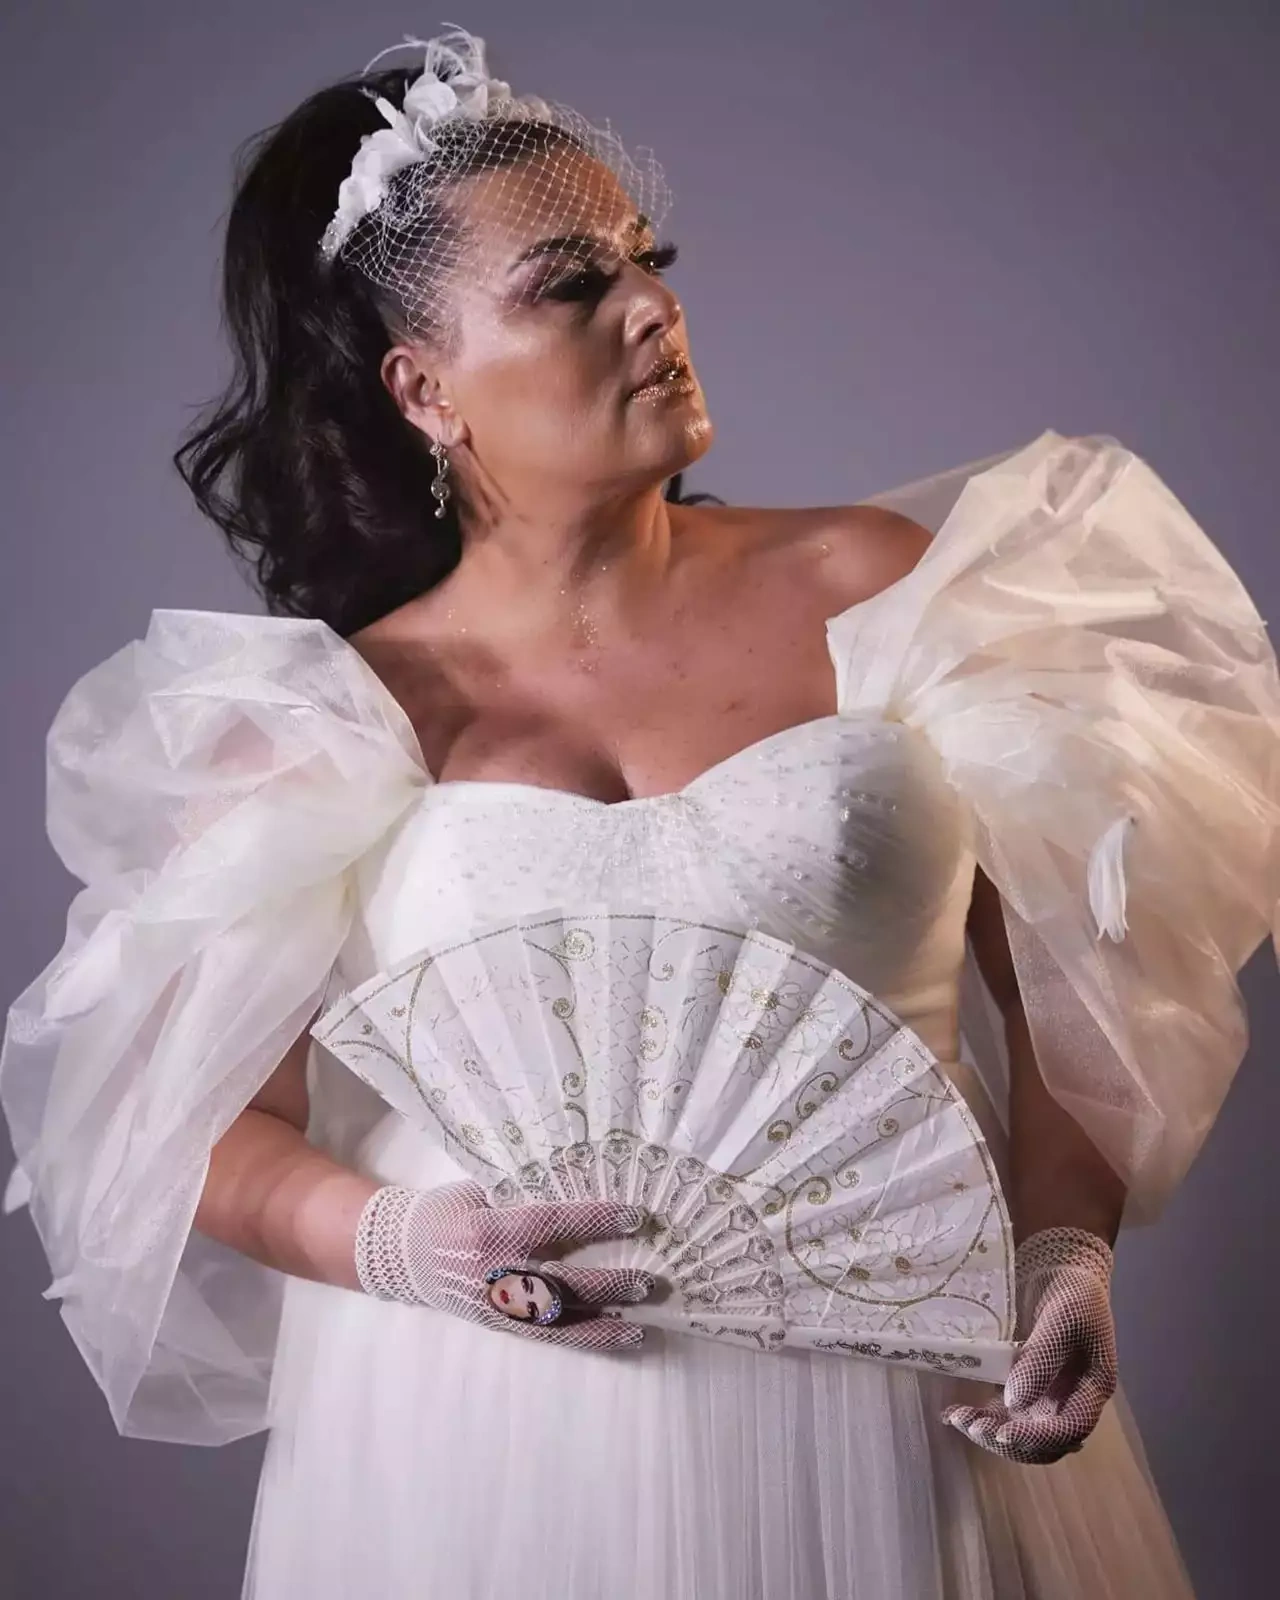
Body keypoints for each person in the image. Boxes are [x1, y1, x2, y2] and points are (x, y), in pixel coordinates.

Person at [4, 26, 1279, 1600]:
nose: (653, 307)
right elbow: (197, 1128)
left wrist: (1066, 1253)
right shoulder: (338, 722)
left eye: (646, 262)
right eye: (569, 287)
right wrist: (408, 1246)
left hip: (895, 1398)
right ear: (423, 390)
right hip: (478, 1423)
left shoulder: (890, 589)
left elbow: (1073, 982)